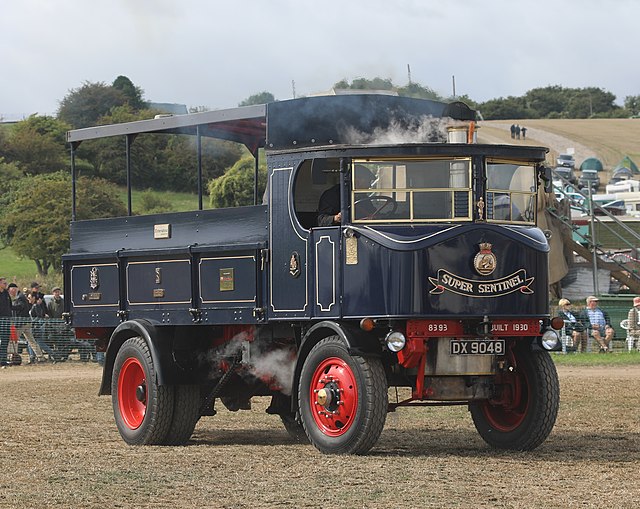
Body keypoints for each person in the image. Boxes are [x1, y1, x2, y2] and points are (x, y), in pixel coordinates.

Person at [8, 283, 46, 363]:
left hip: (21, 323)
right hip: (26, 322)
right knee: (31, 341)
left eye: (10, 291)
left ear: (14, 289)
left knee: (13, 341)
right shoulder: (21, 296)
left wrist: (11, 307)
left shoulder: (20, 297)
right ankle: (40, 357)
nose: (10, 293)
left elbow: (21, 307)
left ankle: (12, 357)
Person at [0, 277, 12, 367]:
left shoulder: (6, 293)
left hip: (6, 320)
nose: (6, 285)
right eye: (4, 283)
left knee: (5, 339)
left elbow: (10, 305)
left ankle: (3, 359)